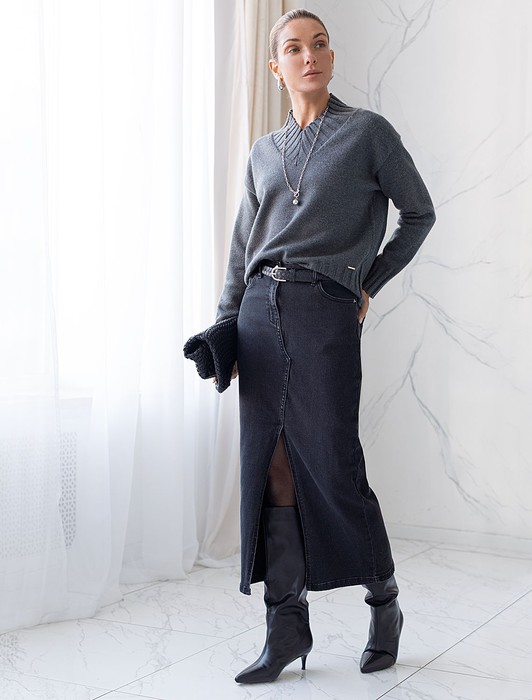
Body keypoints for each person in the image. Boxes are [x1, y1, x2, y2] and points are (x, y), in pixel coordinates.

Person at [214, 8, 436, 684]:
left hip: (324, 311)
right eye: (293, 48)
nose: (308, 55)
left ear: (331, 58)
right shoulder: (263, 152)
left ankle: (384, 604)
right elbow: (243, 248)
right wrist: (226, 323)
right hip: (259, 313)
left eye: (319, 45)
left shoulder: (367, 133)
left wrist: (366, 282)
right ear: (276, 67)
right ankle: (285, 627)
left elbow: (419, 213)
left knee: (335, 465)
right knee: (272, 467)